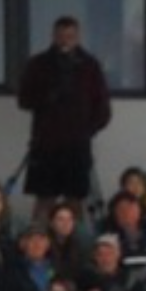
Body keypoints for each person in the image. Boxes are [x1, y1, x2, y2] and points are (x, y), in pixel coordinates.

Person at [16, 16, 111, 212]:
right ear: (53, 36)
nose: (65, 40)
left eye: (70, 36)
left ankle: (71, 241)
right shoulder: (38, 64)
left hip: (77, 146)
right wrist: (46, 96)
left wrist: (86, 131)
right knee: (44, 198)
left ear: (77, 37)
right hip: (45, 144)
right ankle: (37, 239)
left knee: (74, 200)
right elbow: (24, 100)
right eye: (61, 36)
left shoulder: (90, 66)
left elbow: (103, 108)